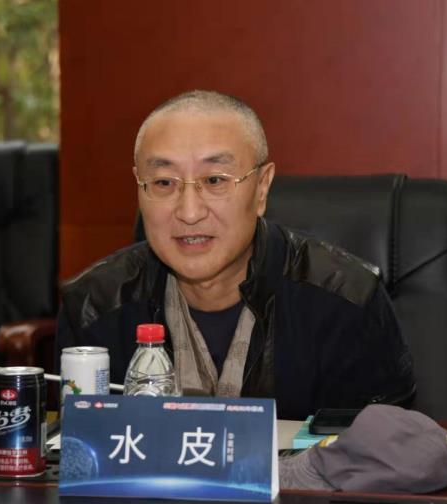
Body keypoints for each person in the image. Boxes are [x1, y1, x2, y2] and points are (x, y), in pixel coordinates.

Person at [57, 90, 415, 419]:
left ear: (261, 189)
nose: (190, 212)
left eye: (215, 180)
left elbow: (388, 455)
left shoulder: (346, 300)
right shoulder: (94, 306)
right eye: (164, 182)